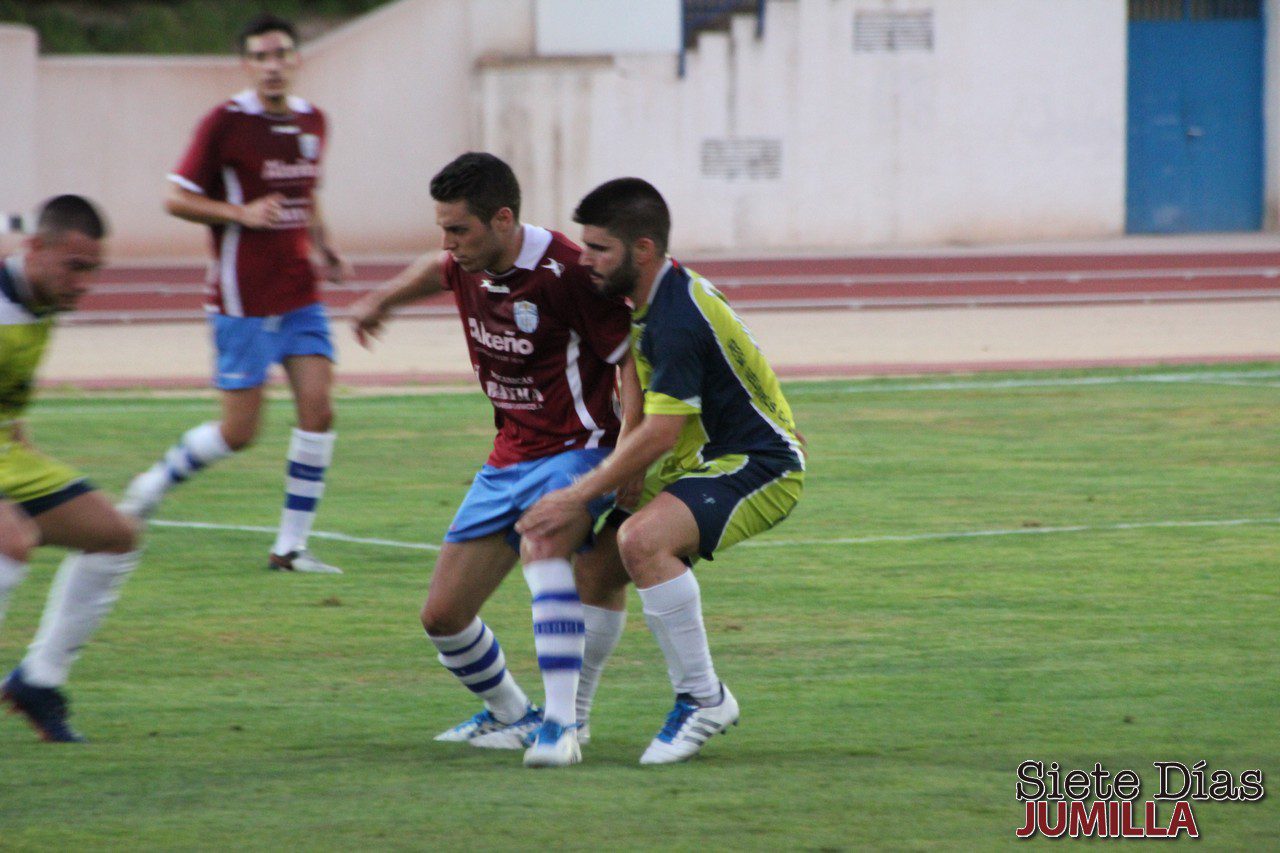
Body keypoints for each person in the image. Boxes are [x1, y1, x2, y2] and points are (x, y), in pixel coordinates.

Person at [349, 152, 635, 768]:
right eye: (443, 229)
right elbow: (436, 271)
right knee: (443, 616)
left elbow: (629, 361)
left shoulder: (566, 272)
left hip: (578, 450)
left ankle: (561, 726)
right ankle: (513, 715)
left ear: (503, 219)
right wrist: (383, 301)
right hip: (509, 456)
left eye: (459, 230)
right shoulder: (464, 264)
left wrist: (631, 462)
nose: (448, 244)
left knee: (542, 543)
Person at [517, 177, 806, 765]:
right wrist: (626, 449)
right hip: (701, 460)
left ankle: (704, 698)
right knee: (594, 570)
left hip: (759, 465)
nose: (586, 260)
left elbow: (663, 430)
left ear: (641, 250)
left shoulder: (675, 316)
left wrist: (577, 495)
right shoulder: (653, 298)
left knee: (641, 540)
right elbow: (639, 383)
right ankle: (571, 719)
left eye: (599, 248)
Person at [121, 14, 348, 574]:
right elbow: (175, 198)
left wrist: (325, 245)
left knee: (318, 413)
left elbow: (307, 192)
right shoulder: (225, 122)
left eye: (281, 54)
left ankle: (290, 547)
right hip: (242, 296)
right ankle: (152, 483)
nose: (272, 65)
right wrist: (238, 213)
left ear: (296, 60)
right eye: (260, 57)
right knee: (239, 431)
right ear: (248, 65)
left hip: (299, 292)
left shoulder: (314, 121)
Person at [0, 194, 143, 742]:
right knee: (9, 540)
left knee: (114, 535)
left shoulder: (37, 300)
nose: (84, 283)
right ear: (34, 248)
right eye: (74, 267)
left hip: (7, 456)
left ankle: (37, 682)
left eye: (93, 271)